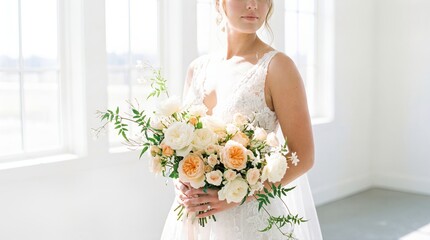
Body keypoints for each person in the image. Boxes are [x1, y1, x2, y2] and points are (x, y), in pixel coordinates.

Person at [161, 0, 322, 239]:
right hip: (194, 217)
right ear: (219, 3)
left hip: (249, 220)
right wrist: (180, 178)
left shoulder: (278, 67)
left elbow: (303, 156)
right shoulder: (197, 69)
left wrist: (238, 195)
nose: (253, 5)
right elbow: (181, 146)